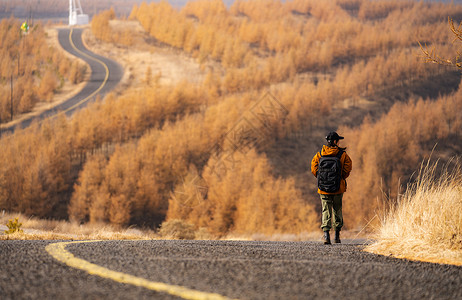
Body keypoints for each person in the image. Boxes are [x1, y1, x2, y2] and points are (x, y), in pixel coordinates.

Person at [311, 131, 352, 244]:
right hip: (338, 187)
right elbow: (348, 168)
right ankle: (337, 236)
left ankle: (326, 235)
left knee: (326, 210)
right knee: (337, 209)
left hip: (323, 188)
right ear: (335, 141)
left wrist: (322, 178)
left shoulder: (319, 154)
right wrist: (341, 178)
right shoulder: (342, 155)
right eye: (338, 140)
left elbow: (314, 168)